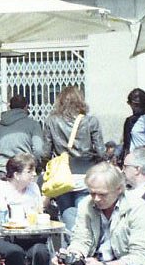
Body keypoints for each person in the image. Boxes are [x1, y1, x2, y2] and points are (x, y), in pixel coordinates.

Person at [0, 153, 51, 265]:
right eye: (29, 171)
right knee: (15, 253)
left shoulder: (33, 188)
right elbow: (0, 219)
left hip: (29, 236)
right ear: (16, 174)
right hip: (3, 237)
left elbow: (38, 211)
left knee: (41, 251)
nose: (34, 174)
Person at [42, 86, 104, 232]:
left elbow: (45, 152)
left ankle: (72, 245)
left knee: (66, 212)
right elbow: (101, 151)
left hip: (62, 176)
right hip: (85, 175)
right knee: (85, 214)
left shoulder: (51, 121)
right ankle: (83, 243)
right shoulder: (91, 121)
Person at [0, 94, 44, 175]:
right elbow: (38, 150)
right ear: (26, 107)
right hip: (24, 169)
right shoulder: (33, 125)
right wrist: (34, 163)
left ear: (10, 107)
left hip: (3, 169)